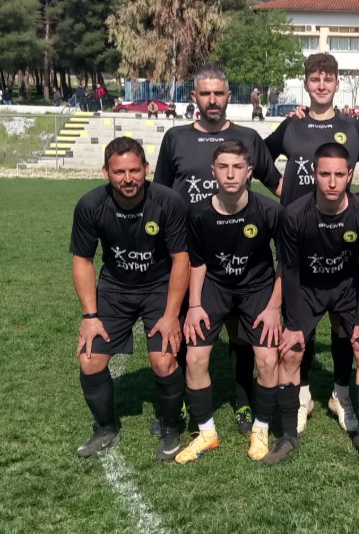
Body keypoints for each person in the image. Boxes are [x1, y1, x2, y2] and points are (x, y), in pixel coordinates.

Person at [264, 53, 359, 433]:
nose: (321, 85)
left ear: (337, 83)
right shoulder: (292, 125)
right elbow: (258, 155)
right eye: (314, 79)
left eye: (328, 79)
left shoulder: (351, 127)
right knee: (297, 318)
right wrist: (278, 186)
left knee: (341, 321)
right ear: (306, 83)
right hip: (299, 235)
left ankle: (340, 392)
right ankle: (302, 393)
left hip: (340, 238)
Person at [154, 63, 282, 438]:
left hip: (241, 252)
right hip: (186, 252)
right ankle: (180, 403)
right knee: (186, 326)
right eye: (205, 93)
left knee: (241, 334)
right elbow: (159, 195)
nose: (212, 100)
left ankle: (242, 400)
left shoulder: (248, 137)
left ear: (228, 96)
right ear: (194, 97)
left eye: (218, 93)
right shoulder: (175, 138)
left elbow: (278, 186)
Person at [70, 137, 188, 461]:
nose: (128, 179)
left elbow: (181, 259)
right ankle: (105, 427)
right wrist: (90, 316)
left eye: (134, 170)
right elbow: (82, 260)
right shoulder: (91, 205)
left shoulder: (168, 202)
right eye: (119, 172)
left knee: (163, 360)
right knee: (90, 359)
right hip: (115, 289)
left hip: (159, 287)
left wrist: (171, 315)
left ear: (146, 169)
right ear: (106, 172)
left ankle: (170, 424)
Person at [176, 141, 284, 464]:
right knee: (195, 358)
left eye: (237, 167)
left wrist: (274, 307)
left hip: (258, 289)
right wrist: (194, 306)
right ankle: (206, 433)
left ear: (249, 171)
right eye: (223, 167)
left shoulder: (269, 211)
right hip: (215, 287)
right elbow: (197, 263)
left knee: (267, 359)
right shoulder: (198, 213)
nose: (230, 174)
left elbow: (286, 264)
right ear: (213, 171)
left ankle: (261, 429)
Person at [279, 144, 359, 464]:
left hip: (347, 287)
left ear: (350, 174)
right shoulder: (294, 214)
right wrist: (293, 325)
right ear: (314, 173)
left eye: (340, 174)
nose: (333, 182)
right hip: (307, 288)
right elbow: (289, 270)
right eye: (325, 174)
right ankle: (289, 429)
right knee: (291, 350)